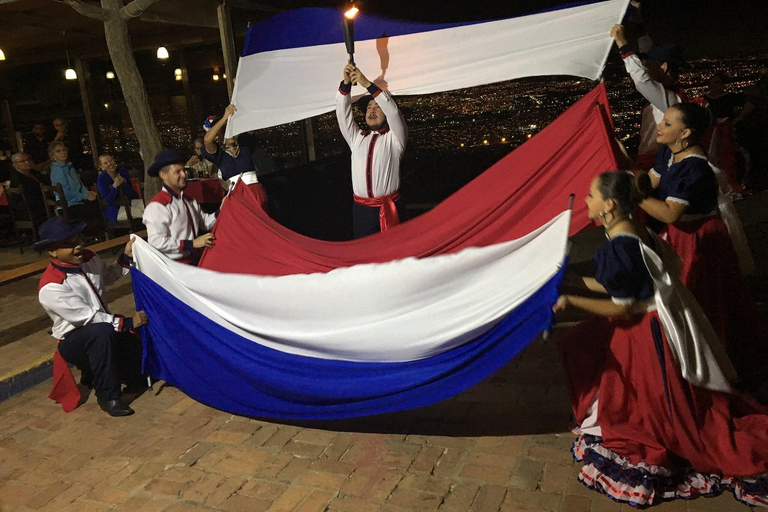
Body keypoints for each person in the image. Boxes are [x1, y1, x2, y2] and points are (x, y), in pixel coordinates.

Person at [554, 171, 768, 508]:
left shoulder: (620, 249)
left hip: (644, 331)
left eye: (591, 196)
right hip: (659, 321)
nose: (586, 202)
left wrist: (571, 300)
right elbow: (617, 285)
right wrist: (571, 280)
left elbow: (623, 309)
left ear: (608, 206)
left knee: (649, 403)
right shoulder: (634, 233)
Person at [637, 102, 767, 382]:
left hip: (700, 240)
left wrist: (633, 197)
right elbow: (652, 182)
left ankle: (717, 366)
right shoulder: (669, 153)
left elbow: (671, 213)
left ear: (686, 133)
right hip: (682, 237)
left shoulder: (694, 169)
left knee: (706, 301)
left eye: (668, 124)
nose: (660, 126)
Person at [36, 216, 148, 417]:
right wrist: (127, 323)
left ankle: (94, 371)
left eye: (77, 240)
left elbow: (108, 275)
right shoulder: (51, 286)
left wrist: (126, 257)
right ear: (52, 251)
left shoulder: (90, 258)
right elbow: (88, 317)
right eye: (68, 245)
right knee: (101, 333)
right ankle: (108, 397)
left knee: (139, 363)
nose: (77, 246)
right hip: (75, 339)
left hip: (104, 328)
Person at [337, 62, 408, 238]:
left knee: (394, 254)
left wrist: (366, 83)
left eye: (377, 107)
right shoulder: (357, 138)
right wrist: (345, 84)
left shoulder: (395, 138)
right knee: (365, 255)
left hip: (391, 207)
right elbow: (342, 115)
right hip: (362, 211)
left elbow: (393, 112)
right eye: (369, 107)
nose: (372, 110)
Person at [611, 22, 687, 170]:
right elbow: (646, 50)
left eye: (649, 64)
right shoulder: (670, 94)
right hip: (652, 163)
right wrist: (637, 21)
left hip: (656, 166)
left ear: (663, 67)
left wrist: (622, 43)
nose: (645, 67)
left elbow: (642, 80)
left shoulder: (673, 101)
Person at [142, 150, 217, 264]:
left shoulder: (189, 200)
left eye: (183, 170)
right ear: (163, 176)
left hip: (196, 260)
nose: (184, 175)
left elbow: (206, 223)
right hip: (175, 266)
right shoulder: (158, 205)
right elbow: (156, 242)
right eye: (177, 171)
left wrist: (223, 209)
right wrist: (191, 244)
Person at [202, 106, 268, 209]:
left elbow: (254, 122)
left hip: (256, 194)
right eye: (225, 130)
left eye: (231, 128)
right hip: (238, 197)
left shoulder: (245, 146)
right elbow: (207, 140)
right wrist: (225, 118)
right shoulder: (219, 155)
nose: (229, 132)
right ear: (218, 136)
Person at [49, 141, 102, 225]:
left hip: (78, 202)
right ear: (53, 156)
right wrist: (85, 196)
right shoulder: (57, 170)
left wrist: (87, 193)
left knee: (99, 201)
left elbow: (80, 184)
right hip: (68, 206)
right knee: (99, 210)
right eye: (58, 151)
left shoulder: (69, 166)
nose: (63, 152)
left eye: (64, 150)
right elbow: (65, 193)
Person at [96, 154, 144, 222]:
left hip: (129, 202)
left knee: (148, 206)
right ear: (102, 167)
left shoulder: (122, 171)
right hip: (115, 209)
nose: (110, 164)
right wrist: (114, 187)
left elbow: (130, 194)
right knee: (139, 212)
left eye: (111, 160)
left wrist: (124, 182)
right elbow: (109, 200)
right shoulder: (101, 178)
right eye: (105, 163)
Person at [7, 152, 50, 228]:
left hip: (43, 204)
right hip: (31, 211)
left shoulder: (34, 173)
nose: (27, 162)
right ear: (15, 165)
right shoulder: (17, 179)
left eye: (28, 160)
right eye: (22, 161)